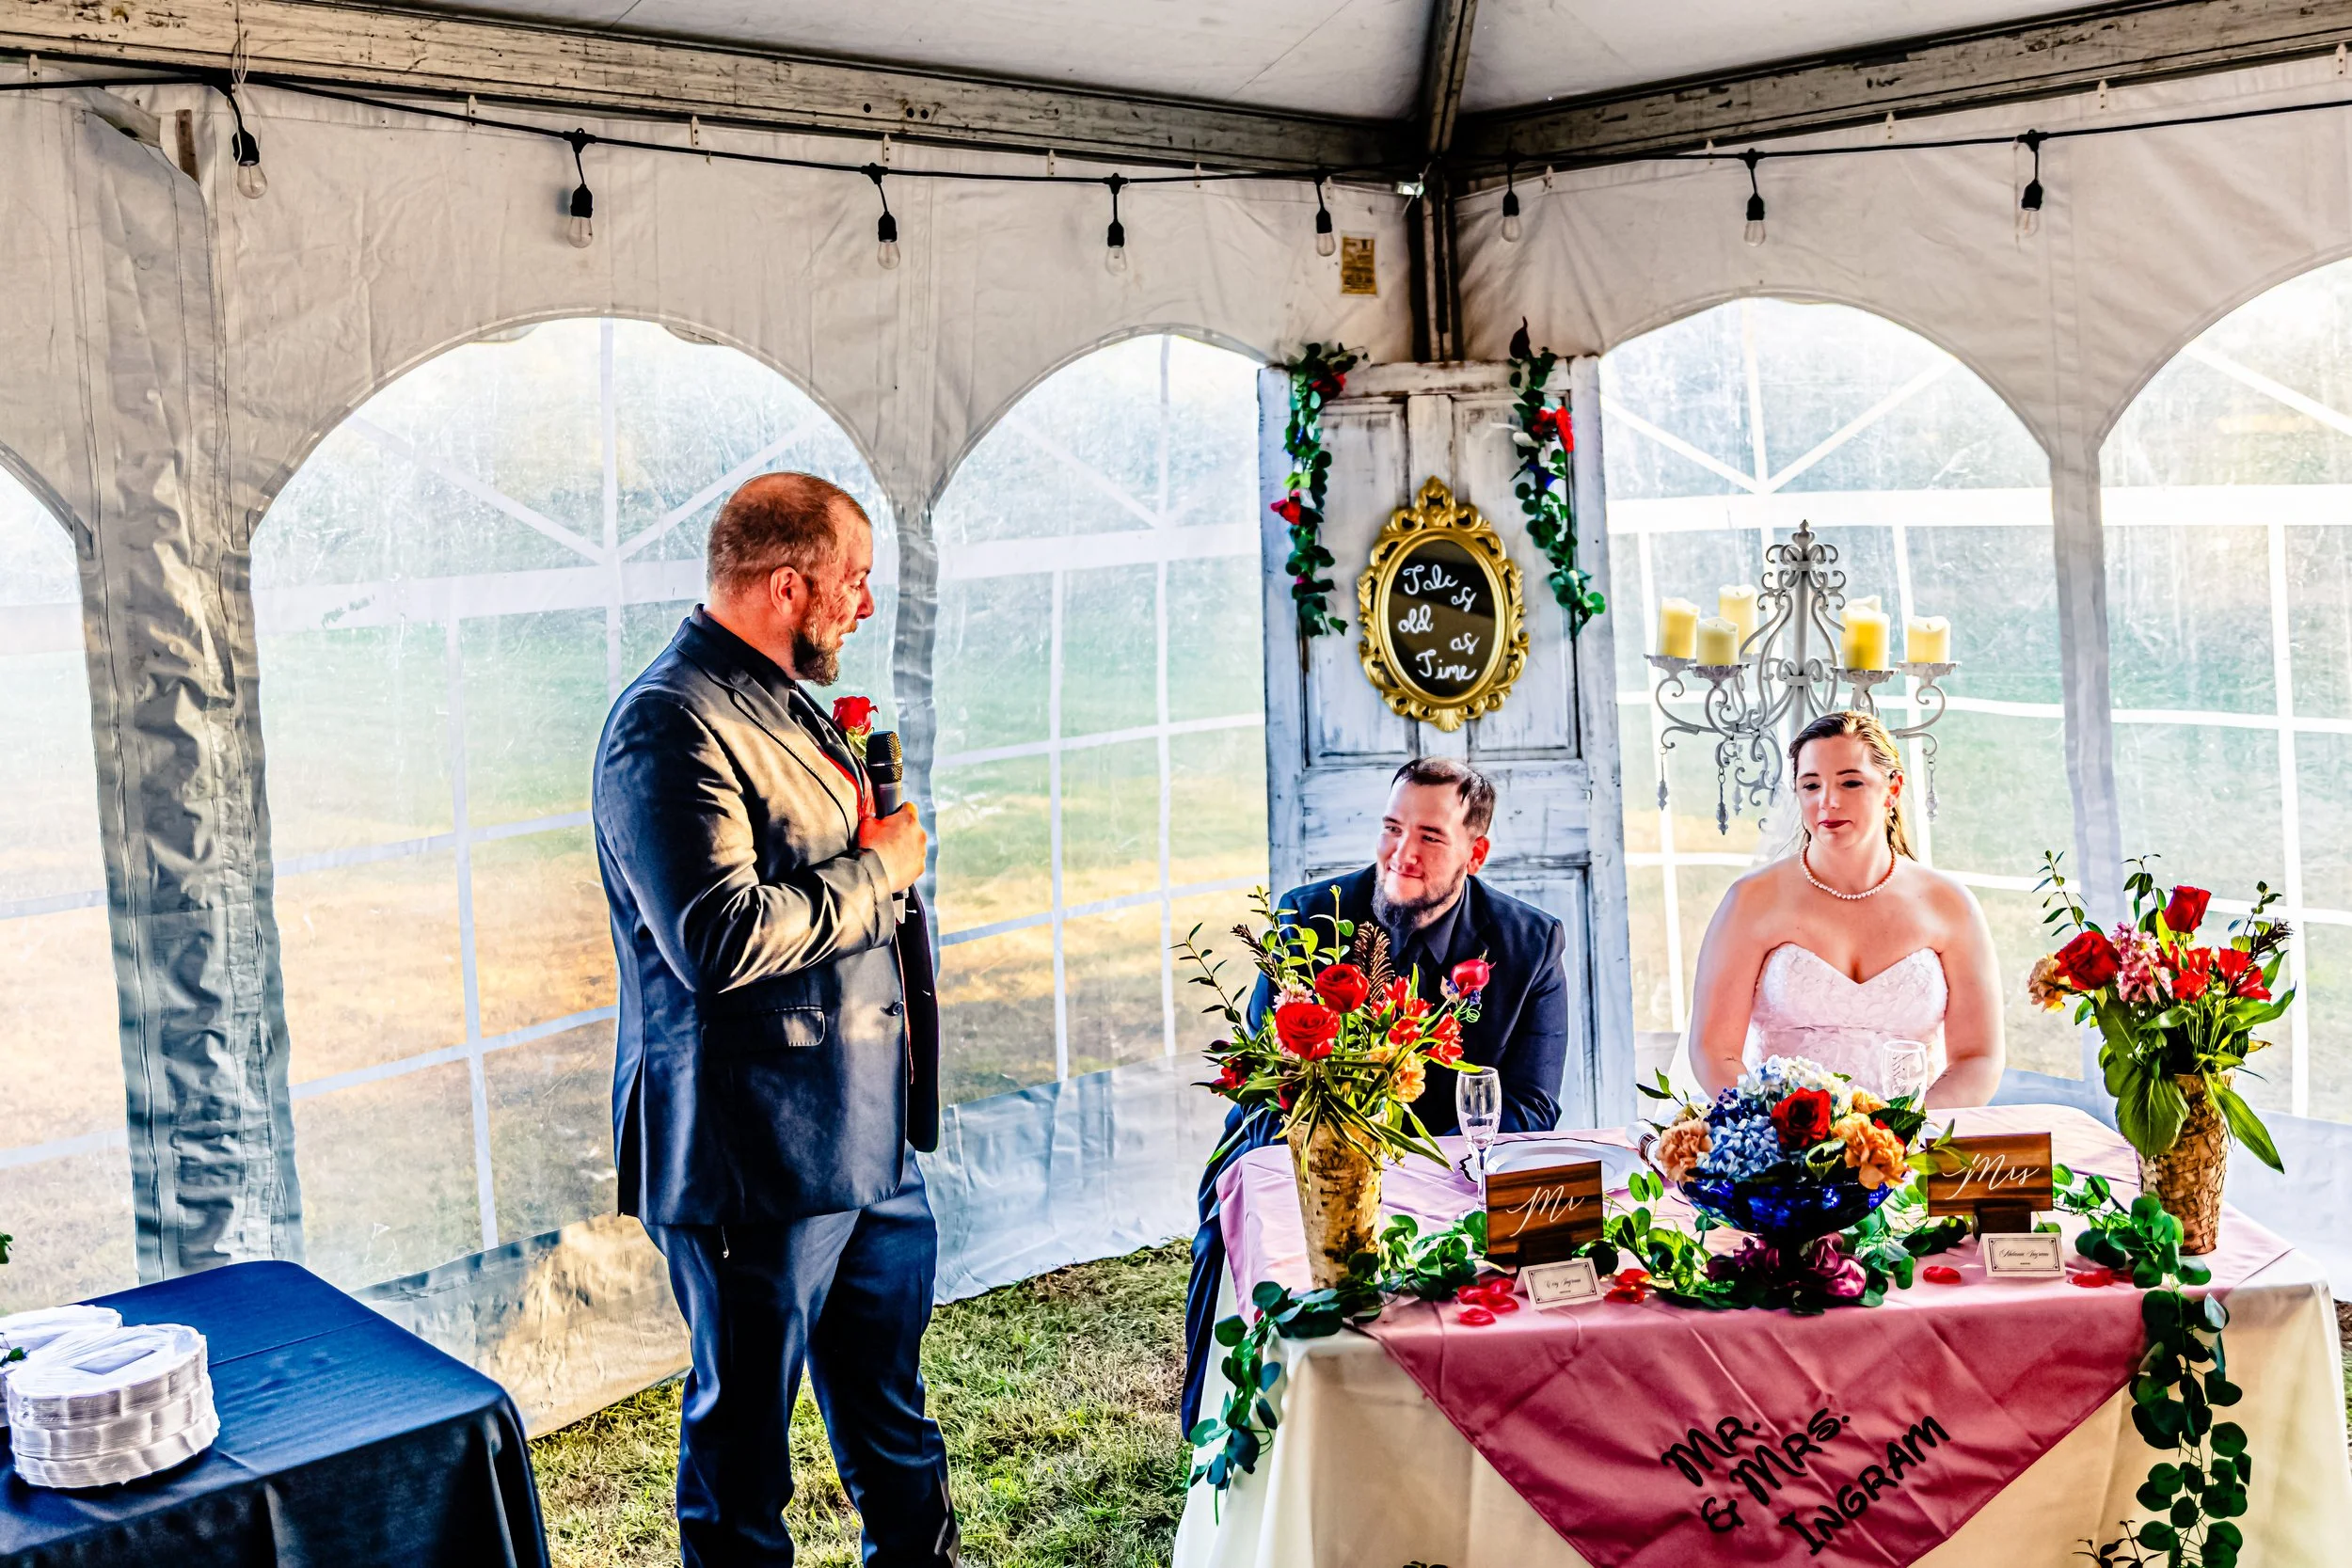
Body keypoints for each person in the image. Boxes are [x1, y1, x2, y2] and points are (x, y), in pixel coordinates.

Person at [594, 472, 959, 1568]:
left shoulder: (784, 693)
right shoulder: (666, 721)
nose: (865, 603)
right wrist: (878, 869)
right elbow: (716, 937)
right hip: (752, 1156)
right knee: (745, 1453)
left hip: (865, 1137)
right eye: (852, 580)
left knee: (891, 1413)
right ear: (787, 583)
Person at [1177, 755, 1569, 1436]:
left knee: (1550, 1243)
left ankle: (1495, 1429)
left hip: (1455, 1174)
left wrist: (1407, 1156)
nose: (1403, 852)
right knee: (1233, 1219)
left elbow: (1533, 1106)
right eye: (1392, 827)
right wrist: (1352, 1149)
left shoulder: (1530, 944)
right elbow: (1269, 1087)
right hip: (1301, 1154)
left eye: (1430, 836)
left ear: (1476, 852)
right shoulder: (1307, 919)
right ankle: (1244, 1430)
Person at [1687, 708, 2005, 1108]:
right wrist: (1784, 1130)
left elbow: (1979, 1058)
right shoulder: (1751, 901)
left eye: (1851, 782)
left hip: (1914, 1149)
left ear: (1892, 790)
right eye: (1811, 785)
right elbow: (1714, 1052)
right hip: (1785, 1148)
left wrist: (1904, 1135)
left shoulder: (1950, 905)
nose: (1828, 802)